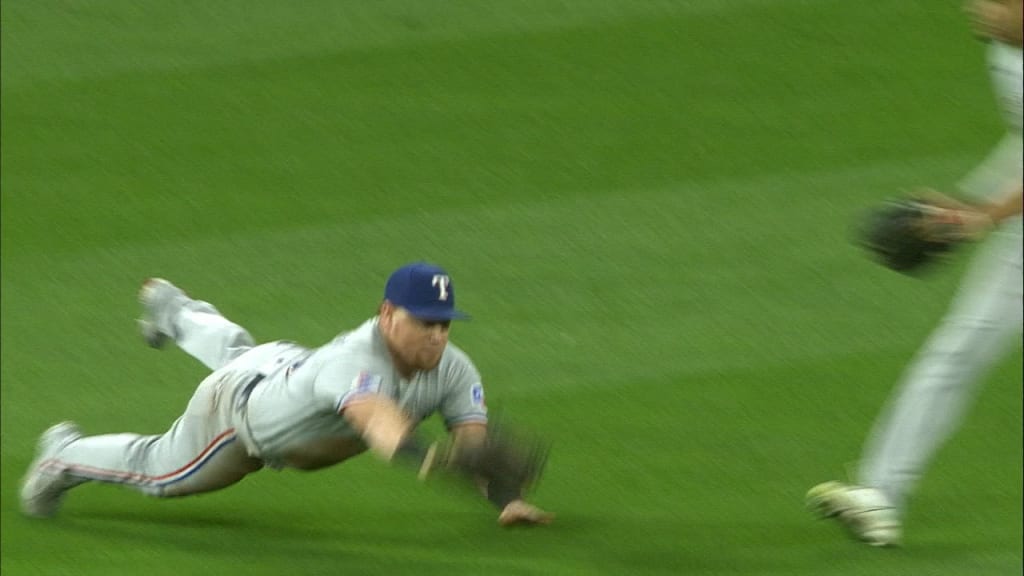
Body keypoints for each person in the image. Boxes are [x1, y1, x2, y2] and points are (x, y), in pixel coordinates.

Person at [20, 262, 554, 526]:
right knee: (159, 471)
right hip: (234, 419)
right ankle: (60, 457)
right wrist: (444, 460)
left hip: (283, 366)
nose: (438, 335)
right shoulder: (357, 363)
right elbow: (384, 430)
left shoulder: (454, 368)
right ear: (388, 315)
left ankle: (178, 313)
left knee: (243, 352)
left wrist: (506, 498)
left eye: (446, 324)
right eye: (426, 323)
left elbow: (476, 445)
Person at [806, 0, 1022, 547]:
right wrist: (967, 205)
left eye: (996, 0)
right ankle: (879, 495)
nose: (977, 9)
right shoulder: (1005, 50)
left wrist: (986, 215)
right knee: (959, 348)